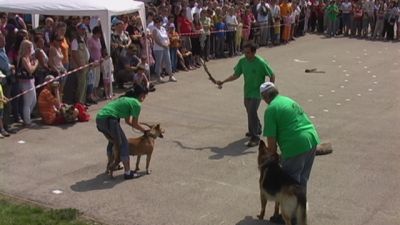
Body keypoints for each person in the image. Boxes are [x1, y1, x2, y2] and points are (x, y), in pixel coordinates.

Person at [260, 81, 319, 223]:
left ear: (264, 97)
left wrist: (274, 157)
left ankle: (290, 218)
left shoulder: (271, 109)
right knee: (301, 182)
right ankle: (301, 215)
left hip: (295, 146)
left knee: (289, 186)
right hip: (311, 139)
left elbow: (272, 145)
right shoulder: (287, 100)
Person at [216, 42, 275, 147]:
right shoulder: (242, 61)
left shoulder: (261, 62)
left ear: (254, 52)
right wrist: (223, 81)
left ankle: (255, 137)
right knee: (249, 111)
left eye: (248, 53)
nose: (246, 54)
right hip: (247, 91)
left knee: (252, 111)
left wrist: (270, 88)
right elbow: (236, 75)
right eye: (245, 52)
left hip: (258, 92)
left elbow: (272, 74)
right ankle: (257, 127)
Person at [96, 84, 150, 180]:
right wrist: (145, 130)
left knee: (113, 141)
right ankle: (128, 172)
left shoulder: (126, 99)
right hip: (109, 119)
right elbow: (134, 123)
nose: (145, 98)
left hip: (99, 118)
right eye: (145, 96)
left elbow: (128, 121)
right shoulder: (136, 104)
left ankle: (112, 165)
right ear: (142, 95)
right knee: (124, 144)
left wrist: (139, 126)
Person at [0, 71, 10, 138]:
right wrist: (3, 100)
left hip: (1, 106)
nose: (1, 79)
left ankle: (2, 130)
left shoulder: (0, 85)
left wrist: (5, 98)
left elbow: (1, 95)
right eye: (0, 77)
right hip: (1, 104)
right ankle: (2, 130)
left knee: (1, 118)